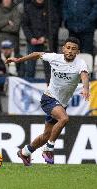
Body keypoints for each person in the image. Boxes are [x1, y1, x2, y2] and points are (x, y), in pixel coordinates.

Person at [5, 37, 90, 166]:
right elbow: (36, 54)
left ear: (77, 52)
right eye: (68, 48)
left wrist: (85, 88)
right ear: (63, 49)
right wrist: (18, 60)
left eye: (73, 49)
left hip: (62, 104)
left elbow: (84, 75)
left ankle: (25, 152)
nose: (70, 51)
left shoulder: (80, 63)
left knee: (46, 135)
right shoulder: (54, 58)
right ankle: (48, 149)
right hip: (49, 98)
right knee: (64, 119)